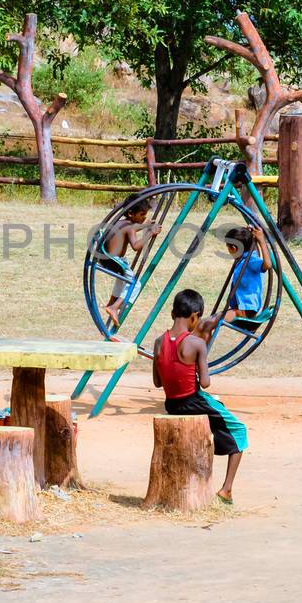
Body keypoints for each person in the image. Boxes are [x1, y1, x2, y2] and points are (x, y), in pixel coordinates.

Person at [152, 288, 247, 504]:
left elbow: (157, 382)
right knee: (239, 429)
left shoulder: (159, 341)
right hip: (193, 401)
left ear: (172, 313)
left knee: (216, 406)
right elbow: (205, 382)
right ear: (195, 317)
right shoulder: (196, 344)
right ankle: (226, 490)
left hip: (171, 404)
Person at [97, 196, 159, 330]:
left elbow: (132, 228)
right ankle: (114, 307)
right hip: (115, 261)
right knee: (135, 284)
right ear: (131, 214)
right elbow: (136, 246)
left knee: (123, 279)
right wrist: (150, 233)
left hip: (104, 259)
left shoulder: (121, 223)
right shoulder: (129, 227)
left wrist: (145, 225)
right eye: (142, 215)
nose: (144, 217)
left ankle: (112, 302)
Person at [219, 225, 269, 331]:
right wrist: (251, 235)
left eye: (228, 247)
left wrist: (262, 241)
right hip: (241, 308)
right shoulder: (244, 259)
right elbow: (253, 250)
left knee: (208, 323)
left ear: (234, 248)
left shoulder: (251, 261)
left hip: (246, 310)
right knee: (209, 323)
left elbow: (267, 265)